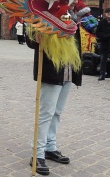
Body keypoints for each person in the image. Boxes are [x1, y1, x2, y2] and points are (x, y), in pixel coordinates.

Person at [26, 27, 82, 176]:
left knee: (57, 113)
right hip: (52, 71)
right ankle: (37, 154)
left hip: (69, 70)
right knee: (46, 114)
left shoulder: (73, 17)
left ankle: (50, 147)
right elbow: (31, 41)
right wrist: (35, 35)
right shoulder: (43, 17)